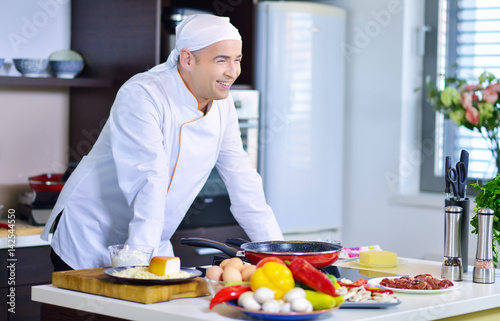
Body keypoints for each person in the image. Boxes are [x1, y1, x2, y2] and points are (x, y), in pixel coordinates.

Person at [41, 14, 283, 271]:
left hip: (150, 240)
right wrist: (137, 266)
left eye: (237, 60)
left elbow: (244, 182)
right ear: (188, 59)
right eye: (221, 60)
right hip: (89, 234)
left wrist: (280, 254)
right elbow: (149, 180)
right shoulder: (144, 94)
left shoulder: (223, 106)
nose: (233, 72)